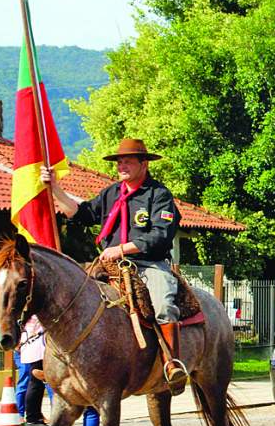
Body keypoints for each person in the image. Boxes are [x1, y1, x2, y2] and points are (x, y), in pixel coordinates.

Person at [41, 138, 186, 393]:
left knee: (164, 303)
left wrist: (122, 249)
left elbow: (160, 235)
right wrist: (54, 188)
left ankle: (172, 364)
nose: (122, 166)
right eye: (119, 161)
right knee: (73, 298)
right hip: (109, 265)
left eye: (128, 161)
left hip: (148, 264)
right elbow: (82, 213)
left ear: (144, 163)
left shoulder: (159, 195)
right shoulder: (111, 194)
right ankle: (64, 363)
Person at [20, 315, 48, 426]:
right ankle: (32, 418)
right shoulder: (35, 311)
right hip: (37, 347)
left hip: (31, 345)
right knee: (35, 383)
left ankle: (35, 416)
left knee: (35, 383)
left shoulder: (26, 312)